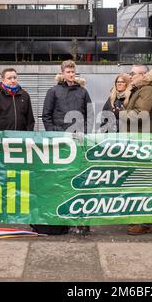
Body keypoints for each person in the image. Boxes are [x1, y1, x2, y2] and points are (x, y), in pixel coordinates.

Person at [41, 60, 93, 236]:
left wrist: (83, 133)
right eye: (68, 71)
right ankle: (60, 219)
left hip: (77, 143)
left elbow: (90, 116)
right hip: (60, 143)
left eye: (73, 71)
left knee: (77, 179)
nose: (71, 74)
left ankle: (80, 221)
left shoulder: (83, 92)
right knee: (60, 179)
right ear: (62, 73)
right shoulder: (53, 91)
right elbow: (46, 116)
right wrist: (56, 134)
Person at [122, 64, 152, 235]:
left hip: (143, 143)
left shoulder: (147, 91)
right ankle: (145, 220)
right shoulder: (142, 89)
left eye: (133, 73)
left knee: (140, 183)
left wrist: (120, 115)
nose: (130, 76)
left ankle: (142, 221)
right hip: (140, 141)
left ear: (143, 75)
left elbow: (140, 115)